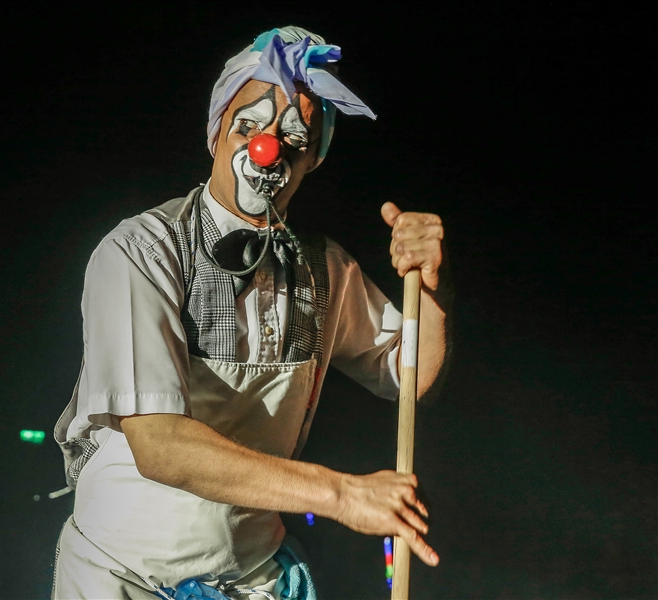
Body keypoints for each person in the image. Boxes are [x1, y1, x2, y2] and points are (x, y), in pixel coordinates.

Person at [52, 26, 451, 600]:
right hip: (122, 580)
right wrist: (341, 494)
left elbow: (412, 377)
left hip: (252, 582)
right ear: (217, 132)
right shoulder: (142, 251)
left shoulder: (325, 271)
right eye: (248, 126)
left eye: (294, 138)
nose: (269, 149)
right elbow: (160, 445)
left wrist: (432, 288)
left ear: (312, 159)